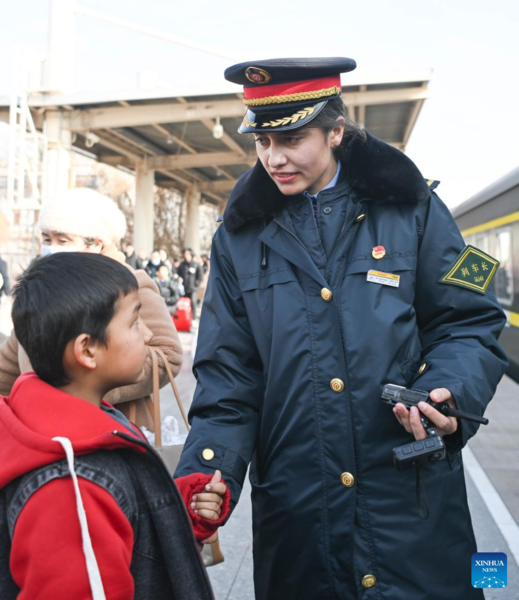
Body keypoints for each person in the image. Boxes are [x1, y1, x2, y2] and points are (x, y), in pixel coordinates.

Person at [175, 58, 508, 600]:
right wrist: (209, 469)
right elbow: (229, 376)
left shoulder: (416, 208)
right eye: (261, 141)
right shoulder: (237, 237)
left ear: (335, 131)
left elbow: (472, 318)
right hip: (300, 513)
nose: (273, 158)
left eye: (291, 139)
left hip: (410, 506)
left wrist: (449, 392)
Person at [0, 252, 230, 599]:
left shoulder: (90, 424)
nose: (149, 332)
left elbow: (121, 519)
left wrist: (176, 502)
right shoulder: (70, 493)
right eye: (135, 322)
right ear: (87, 351)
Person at [0, 188, 182, 430]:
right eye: (46, 239)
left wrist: (88, 387)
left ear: (97, 243)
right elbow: (10, 362)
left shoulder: (131, 283)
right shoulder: (44, 290)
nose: (51, 248)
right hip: (50, 431)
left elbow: (168, 355)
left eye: (62, 240)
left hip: (116, 431)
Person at [177, 248, 203, 320]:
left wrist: (196, 284)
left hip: (193, 288)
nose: (186, 256)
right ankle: (184, 318)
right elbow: (178, 274)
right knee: (183, 304)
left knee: (193, 302)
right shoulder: (182, 265)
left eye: (188, 254)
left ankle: (194, 319)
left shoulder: (196, 265)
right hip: (184, 288)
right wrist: (179, 278)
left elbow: (200, 276)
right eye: (185, 254)